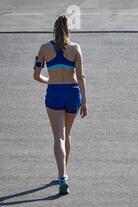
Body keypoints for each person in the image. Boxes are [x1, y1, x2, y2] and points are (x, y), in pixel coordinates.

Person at [33, 15, 88, 195]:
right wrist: (85, 101)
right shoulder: (75, 48)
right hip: (72, 93)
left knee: (58, 137)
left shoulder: (44, 48)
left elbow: (36, 75)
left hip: (55, 92)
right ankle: (64, 173)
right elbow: (81, 77)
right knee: (67, 134)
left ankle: (62, 175)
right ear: (68, 30)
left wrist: (49, 80)